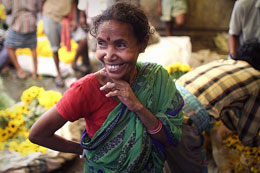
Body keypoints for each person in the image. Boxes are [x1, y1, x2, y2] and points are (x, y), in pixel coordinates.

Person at [29, 2, 184, 172]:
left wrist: (137, 106)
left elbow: (169, 140)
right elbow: (37, 134)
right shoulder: (86, 89)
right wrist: (82, 150)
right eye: (102, 44)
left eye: (120, 45)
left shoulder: (156, 78)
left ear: (143, 44)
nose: (109, 56)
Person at [164, 40, 260, 173]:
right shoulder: (257, 79)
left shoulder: (223, 63)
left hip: (163, 108)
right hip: (184, 121)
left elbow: (225, 109)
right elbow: (248, 137)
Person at [41, 0, 90, 87]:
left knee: (83, 39)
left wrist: (74, 20)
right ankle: (58, 75)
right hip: (51, 17)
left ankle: (74, 63)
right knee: (55, 48)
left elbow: (74, 3)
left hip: (68, 18)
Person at [3, 0, 40, 79]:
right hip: (32, 23)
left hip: (19, 23)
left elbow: (8, 9)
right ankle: (35, 73)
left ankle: (20, 70)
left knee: (9, 46)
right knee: (33, 47)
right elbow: (38, 8)